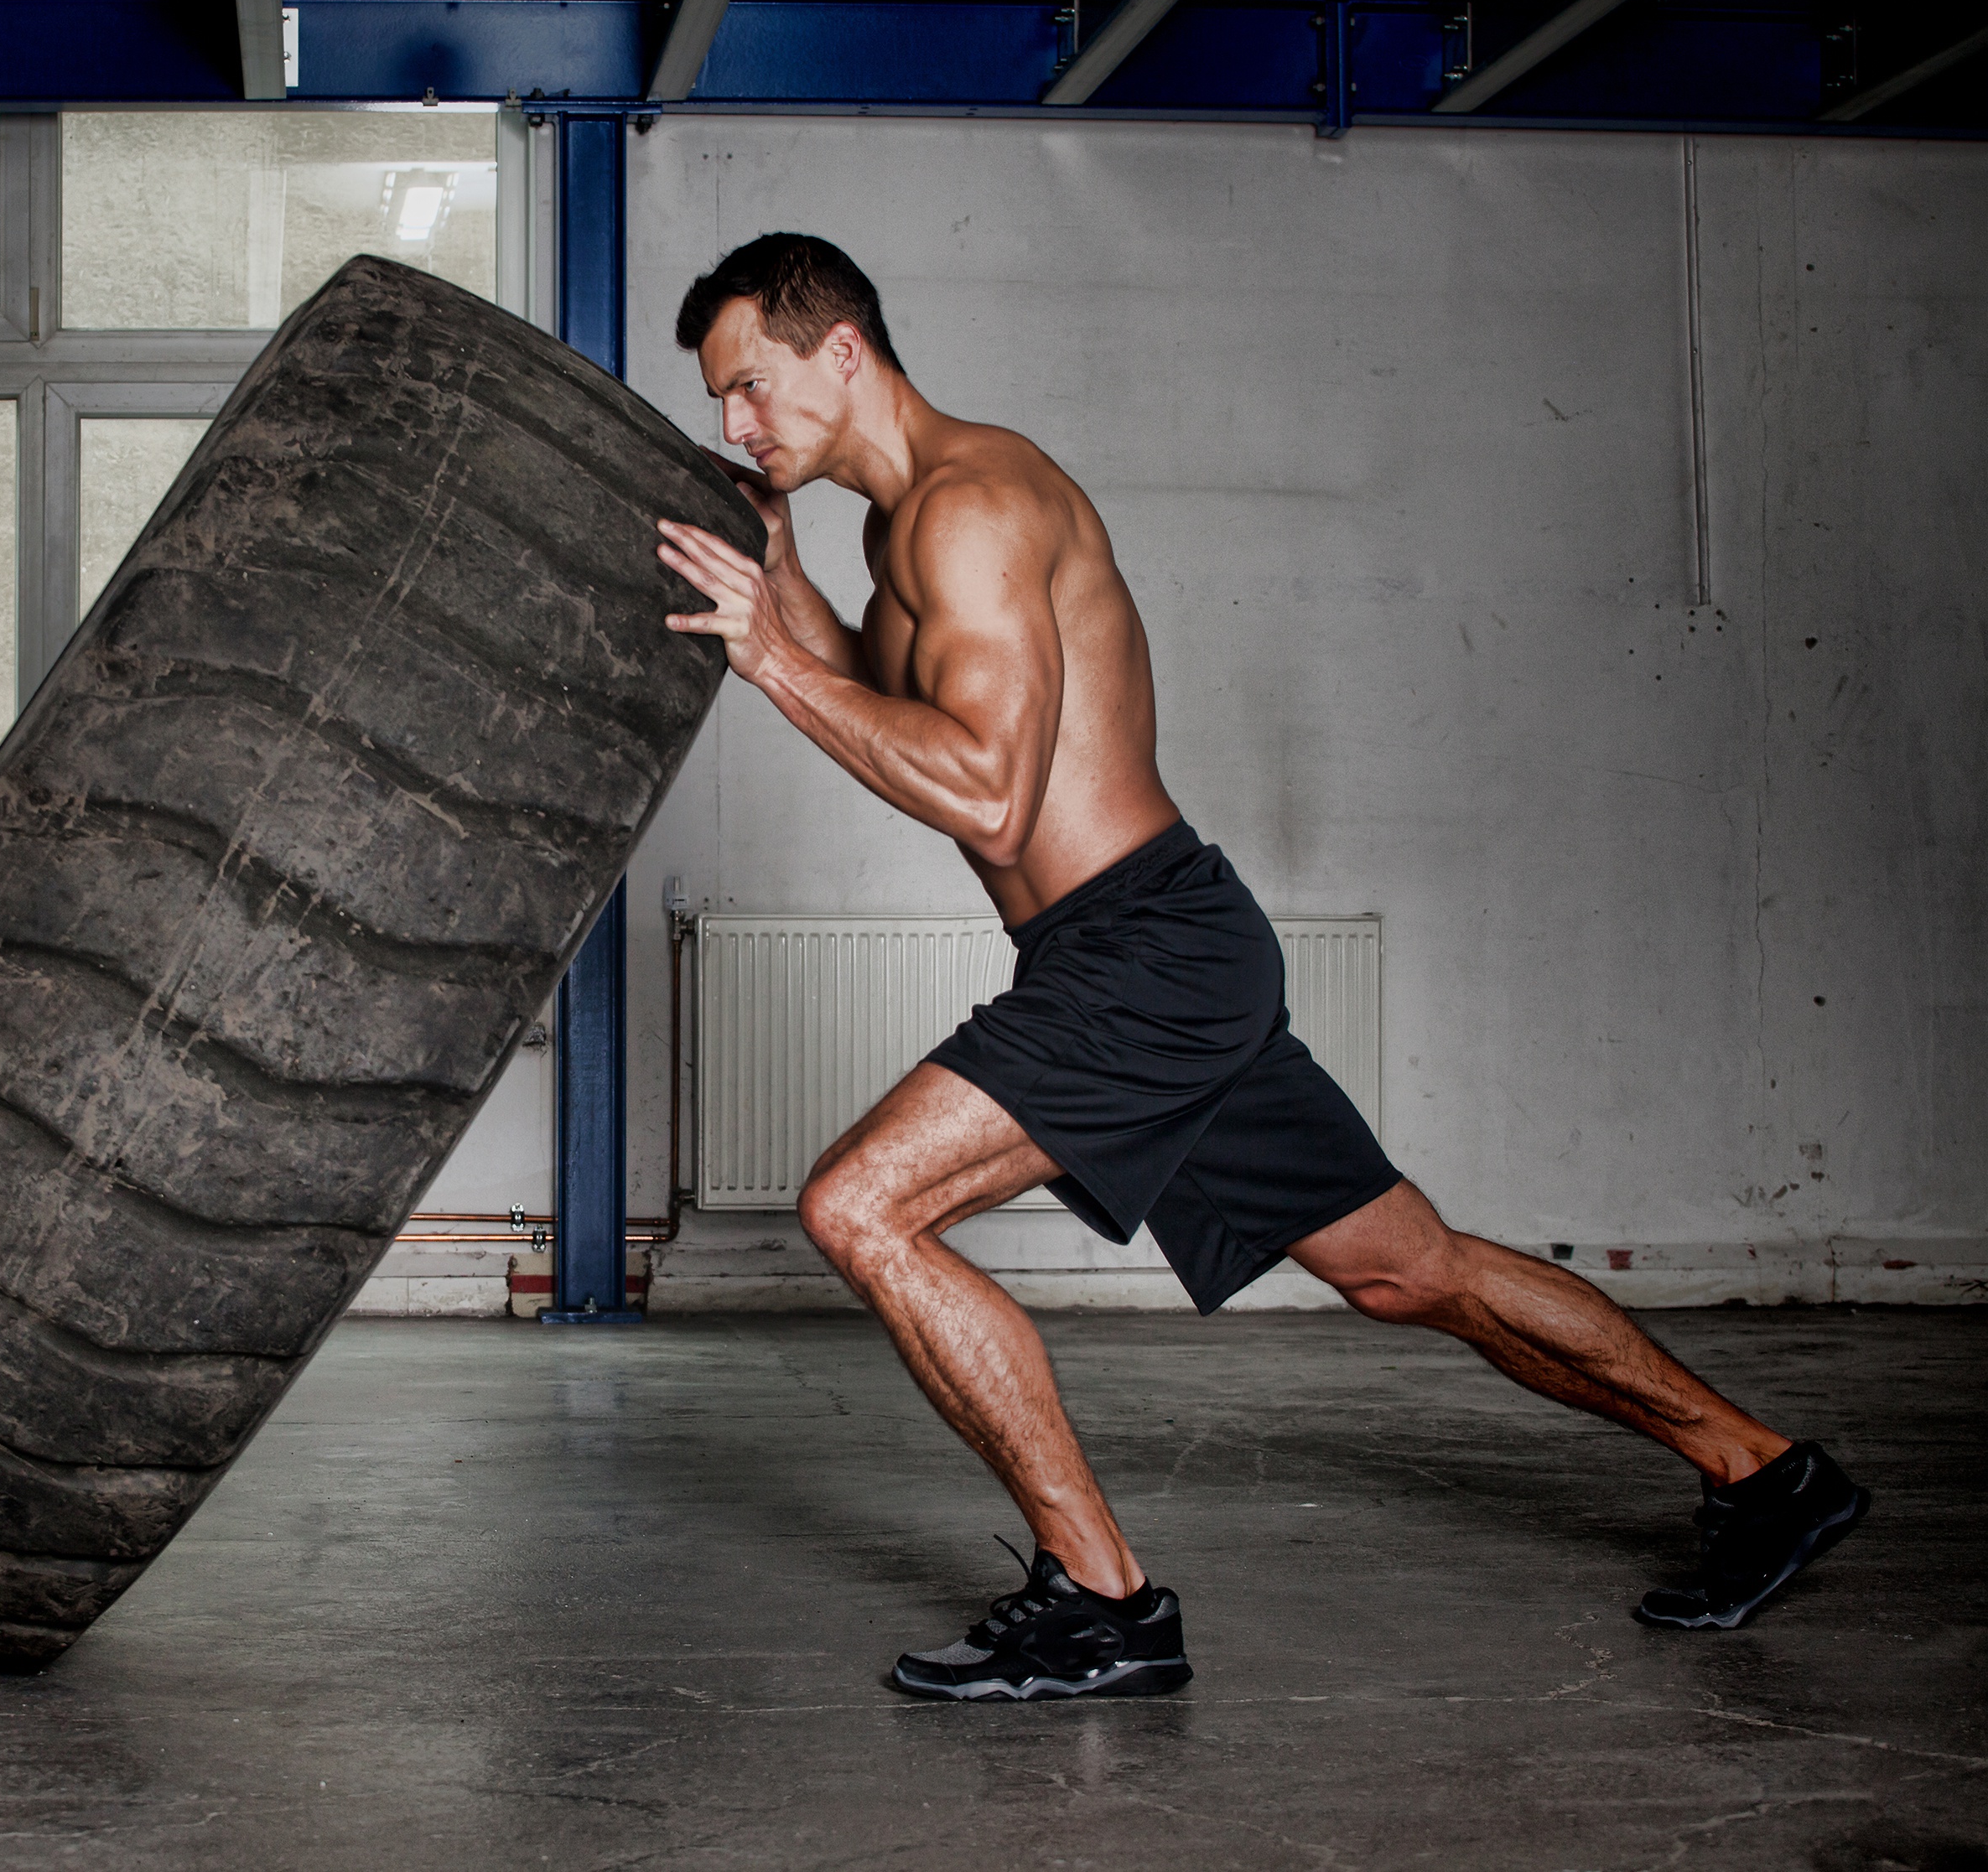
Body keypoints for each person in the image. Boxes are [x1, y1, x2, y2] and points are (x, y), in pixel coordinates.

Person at [652, 233, 1867, 1702]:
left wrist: (772, 668)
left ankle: (1103, 1600)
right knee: (1406, 1270)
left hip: (1141, 955)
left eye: (750, 388)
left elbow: (983, 793)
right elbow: (887, 701)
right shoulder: (891, 526)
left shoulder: (970, 509)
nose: (737, 427)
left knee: (860, 1206)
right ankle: (1765, 1470)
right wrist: (778, 585)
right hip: (1156, 946)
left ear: (839, 348)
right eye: (721, 405)